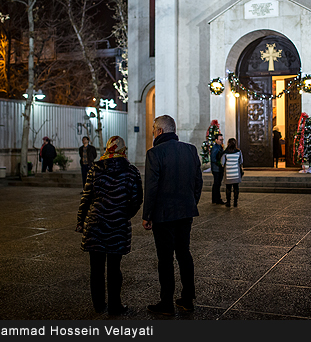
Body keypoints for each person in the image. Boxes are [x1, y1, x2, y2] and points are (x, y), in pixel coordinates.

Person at [142, 115, 203, 315]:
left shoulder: (154, 153)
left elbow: (151, 188)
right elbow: (198, 182)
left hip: (163, 215)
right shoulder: (190, 150)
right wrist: (191, 202)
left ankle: (166, 303)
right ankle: (187, 298)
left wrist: (147, 214)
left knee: (165, 259)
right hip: (185, 212)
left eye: (153, 129)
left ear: (160, 131)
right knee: (184, 254)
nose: (153, 132)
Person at [76, 136, 143, 315]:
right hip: (117, 226)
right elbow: (137, 199)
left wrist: (81, 220)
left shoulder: (95, 168)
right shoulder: (131, 171)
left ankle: (99, 305)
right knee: (114, 268)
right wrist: (124, 214)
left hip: (95, 224)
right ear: (123, 149)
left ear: (107, 149)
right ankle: (115, 306)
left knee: (96, 269)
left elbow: (86, 196)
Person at [221, 138, 243, 207]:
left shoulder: (225, 152)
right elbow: (241, 161)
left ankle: (228, 202)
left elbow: (222, 162)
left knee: (228, 188)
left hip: (228, 173)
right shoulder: (238, 152)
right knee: (236, 188)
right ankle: (235, 202)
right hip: (236, 172)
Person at [210, 133, 225, 205]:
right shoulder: (215, 148)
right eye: (220, 139)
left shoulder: (219, 146)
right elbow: (213, 158)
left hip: (218, 168)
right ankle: (217, 199)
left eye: (222, 139)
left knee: (217, 184)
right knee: (217, 184)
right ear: (216, 140)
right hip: (217, 169)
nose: (221, 141)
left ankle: (215, 199)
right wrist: (220, 164)